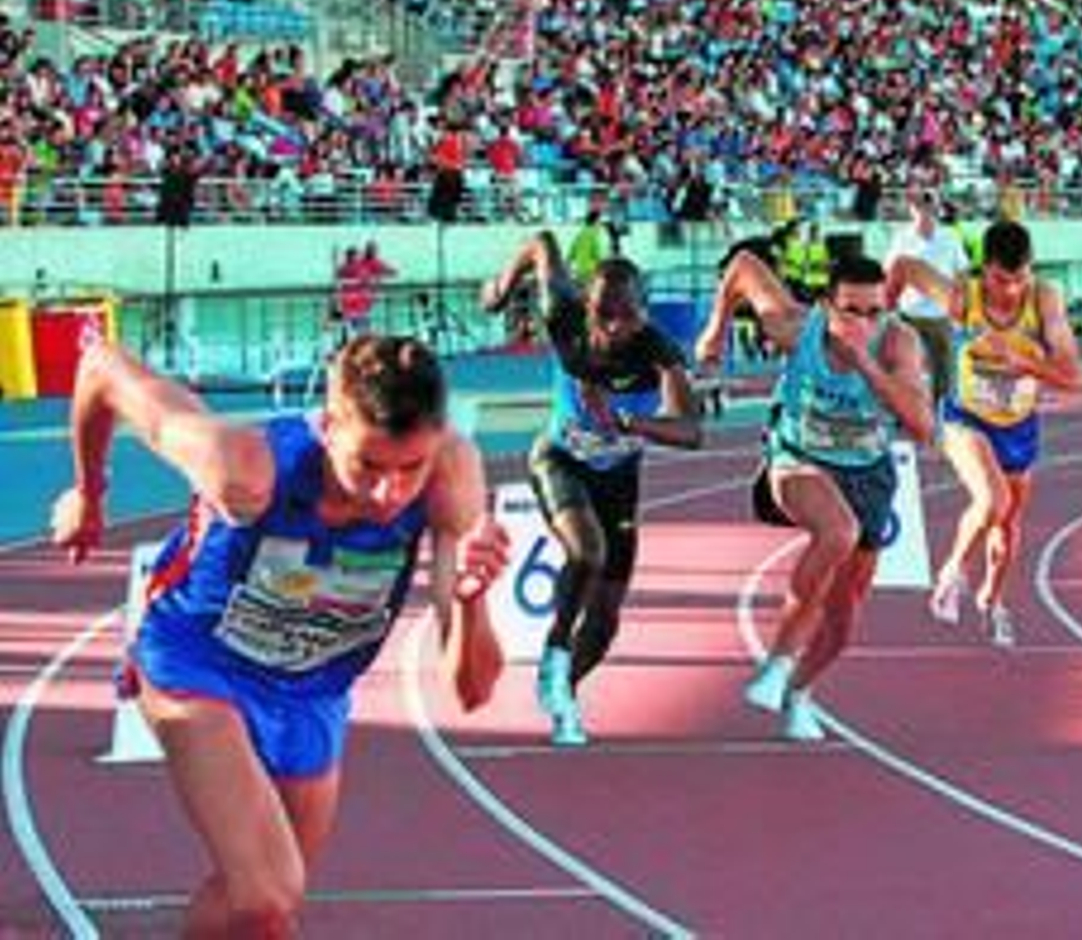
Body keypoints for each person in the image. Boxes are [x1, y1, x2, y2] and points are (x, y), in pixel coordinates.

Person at [50, 334, 509, 934]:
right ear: (328, 425)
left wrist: (473, 605)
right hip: (198, 660)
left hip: (312, 691)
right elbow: (102, 368)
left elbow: (471, 691)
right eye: (366, 465)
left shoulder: (451, 479)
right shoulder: (245, 467)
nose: (387, 494)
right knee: (267, 896)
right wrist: (89, 493)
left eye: (408, 470)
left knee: (260, 914)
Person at [695, 251, 933, 741]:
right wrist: (715, 330)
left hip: (867, 473)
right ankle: (778, 662)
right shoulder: (792, 327)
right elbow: (742, 265)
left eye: (874, 311)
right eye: (851, 310)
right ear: (826, 306)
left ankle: (798, 691)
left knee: (843, 624)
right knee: (836, 532)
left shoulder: (898, 344)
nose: (864, 321)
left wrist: (865, 363)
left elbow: (923, 426)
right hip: (797, 458)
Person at [482, 235, 704, 745]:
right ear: (588, 304)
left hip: (618, 479)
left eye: (625, 316)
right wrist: (501, 287)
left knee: (604, 622)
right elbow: (541, 245)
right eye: (604, 313)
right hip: (558, 457)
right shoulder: (562, 313)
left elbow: (691, 431)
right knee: (588, 553)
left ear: (642, 315)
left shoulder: (658, 351)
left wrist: (628, 422)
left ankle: (562, 693)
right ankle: (554, 654)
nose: (612, 326)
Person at [887, 220, 1082, 646]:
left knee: (1007, 525)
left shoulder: (1045, 300)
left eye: (1018, 279)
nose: (1010, 290)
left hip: (1019, 425)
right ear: (983, 271)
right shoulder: (962, 297)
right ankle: (952, 571)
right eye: (999, 279)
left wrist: (1027, 364)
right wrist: (884, 322)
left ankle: (992, 600)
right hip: (965, 419)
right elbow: (903, 266)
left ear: (1030, 270)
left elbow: (1072, 376)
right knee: (993, 500)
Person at [886, 188, 969, 404]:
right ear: (913, 210)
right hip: (909, 315)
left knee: (944, 368)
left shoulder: (950, 237)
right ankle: (903, 406)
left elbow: (961, 273)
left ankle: (942, 409)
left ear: (937, 210)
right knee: (905, 364)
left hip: (940, 316)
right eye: (920, 207)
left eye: (929, 207)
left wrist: (960, 309)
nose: (925, 212)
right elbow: (891, 272)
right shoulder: (902, 237)